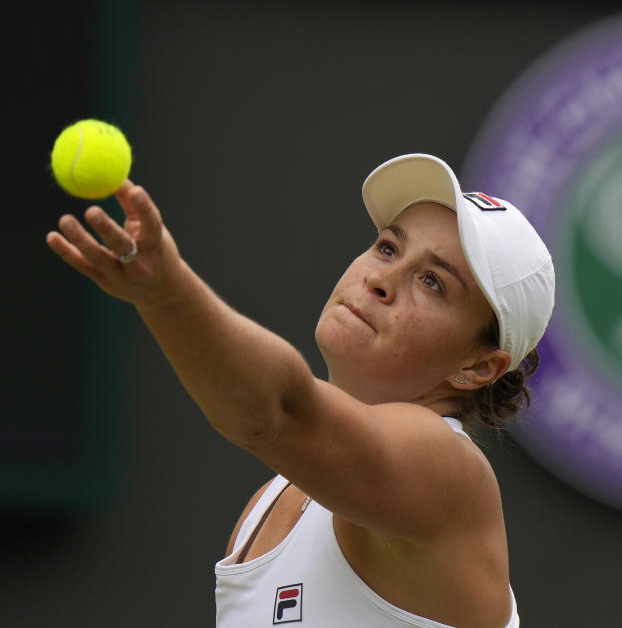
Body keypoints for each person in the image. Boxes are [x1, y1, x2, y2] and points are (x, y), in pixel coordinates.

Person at [46, 153, 555, 628]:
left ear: (477, 367)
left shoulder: (445, 469)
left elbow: (281, 411)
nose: (383, 277)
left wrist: (167, 292)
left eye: (432, 282)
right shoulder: (270, 503)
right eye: (388, 247)